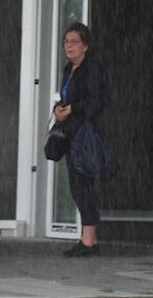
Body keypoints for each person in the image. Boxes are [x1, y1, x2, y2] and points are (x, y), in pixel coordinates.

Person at [53, 21, 110, 257]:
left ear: (85, 45)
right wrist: (59, 108)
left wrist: (73, 109)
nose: (69, 46)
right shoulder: (69, 69)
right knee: (76, 185)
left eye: (74, 42)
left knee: (82, 184)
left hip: (85, 135)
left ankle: (89, 239)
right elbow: (66, 97)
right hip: (70, 133)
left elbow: (98, 101)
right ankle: (89, 238)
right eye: (66, 42)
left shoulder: (93, 69)